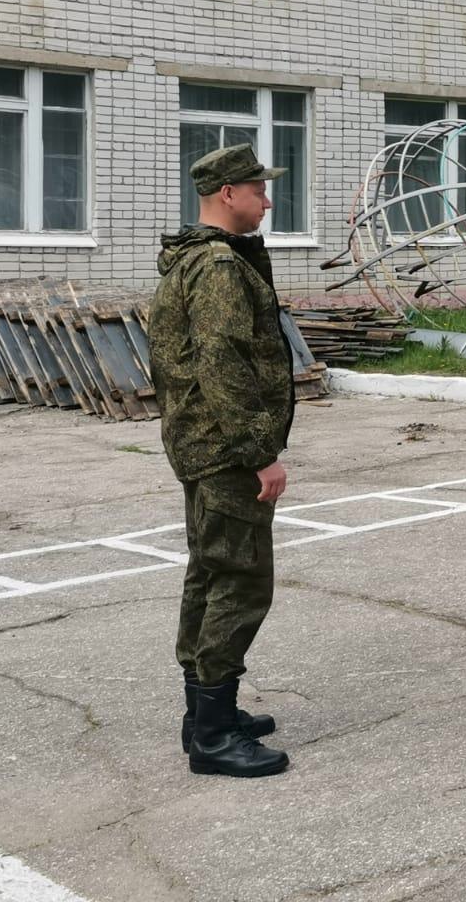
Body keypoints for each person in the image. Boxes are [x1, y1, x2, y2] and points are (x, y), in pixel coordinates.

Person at [149, 144, 293, 778]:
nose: (267, 199)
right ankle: (212, 737)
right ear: (228, 193)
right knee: (238, 581)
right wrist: (261, 454)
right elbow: (223, 364)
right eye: (259, 189)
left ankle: (204, 716)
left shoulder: (201, 258)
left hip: (202, 444)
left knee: (209, 574)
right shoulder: (214, 267)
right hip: (226, 450)